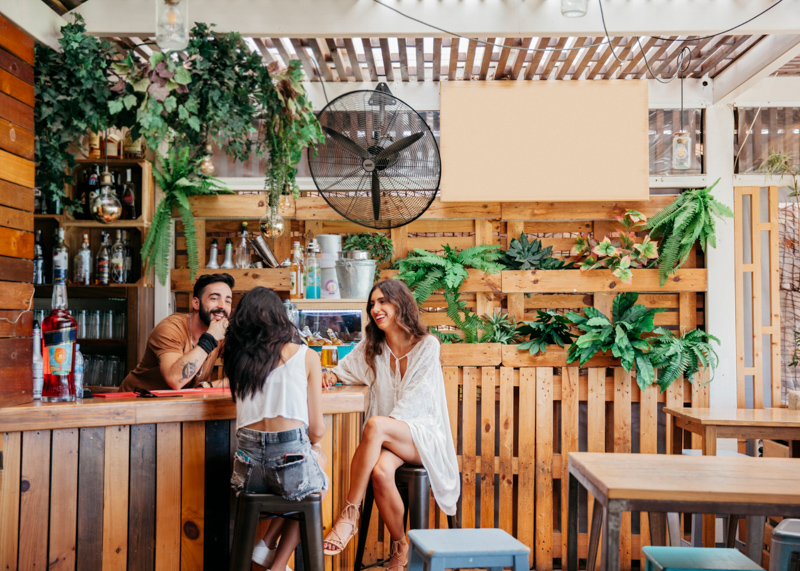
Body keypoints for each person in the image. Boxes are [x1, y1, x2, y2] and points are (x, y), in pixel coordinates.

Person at [321, 280, 459, 571]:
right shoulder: (374, 346)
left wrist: (382, 430)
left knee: (374, 427)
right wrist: (331, 377)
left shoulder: (427, 346)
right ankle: (401, 547)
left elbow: (415, 404)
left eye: (383, 301)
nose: (376, 309)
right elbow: (345, 369)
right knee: (381, 472)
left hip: (423, 437)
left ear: (400, 304)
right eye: (372, 304)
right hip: (391, 437)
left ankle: (349, 517)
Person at [225, 287, 328, 571]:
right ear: (281, 318)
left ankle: (266, 544)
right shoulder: (306, 356)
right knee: (315, 483)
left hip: (247, 475)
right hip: (290, 467)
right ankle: (277, 565)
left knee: (302, 482)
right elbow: (317, 430)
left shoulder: (236, 362)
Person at [119, 273, 234, 392]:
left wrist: (208, 386)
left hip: (175, 405)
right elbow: (175, 379)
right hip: (133, 402)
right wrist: (210, 338)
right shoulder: (171, 328)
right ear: (196, 303)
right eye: (214, 299)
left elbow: (248, 375)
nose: (222, 306)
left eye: (228, 301)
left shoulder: (221, 334)